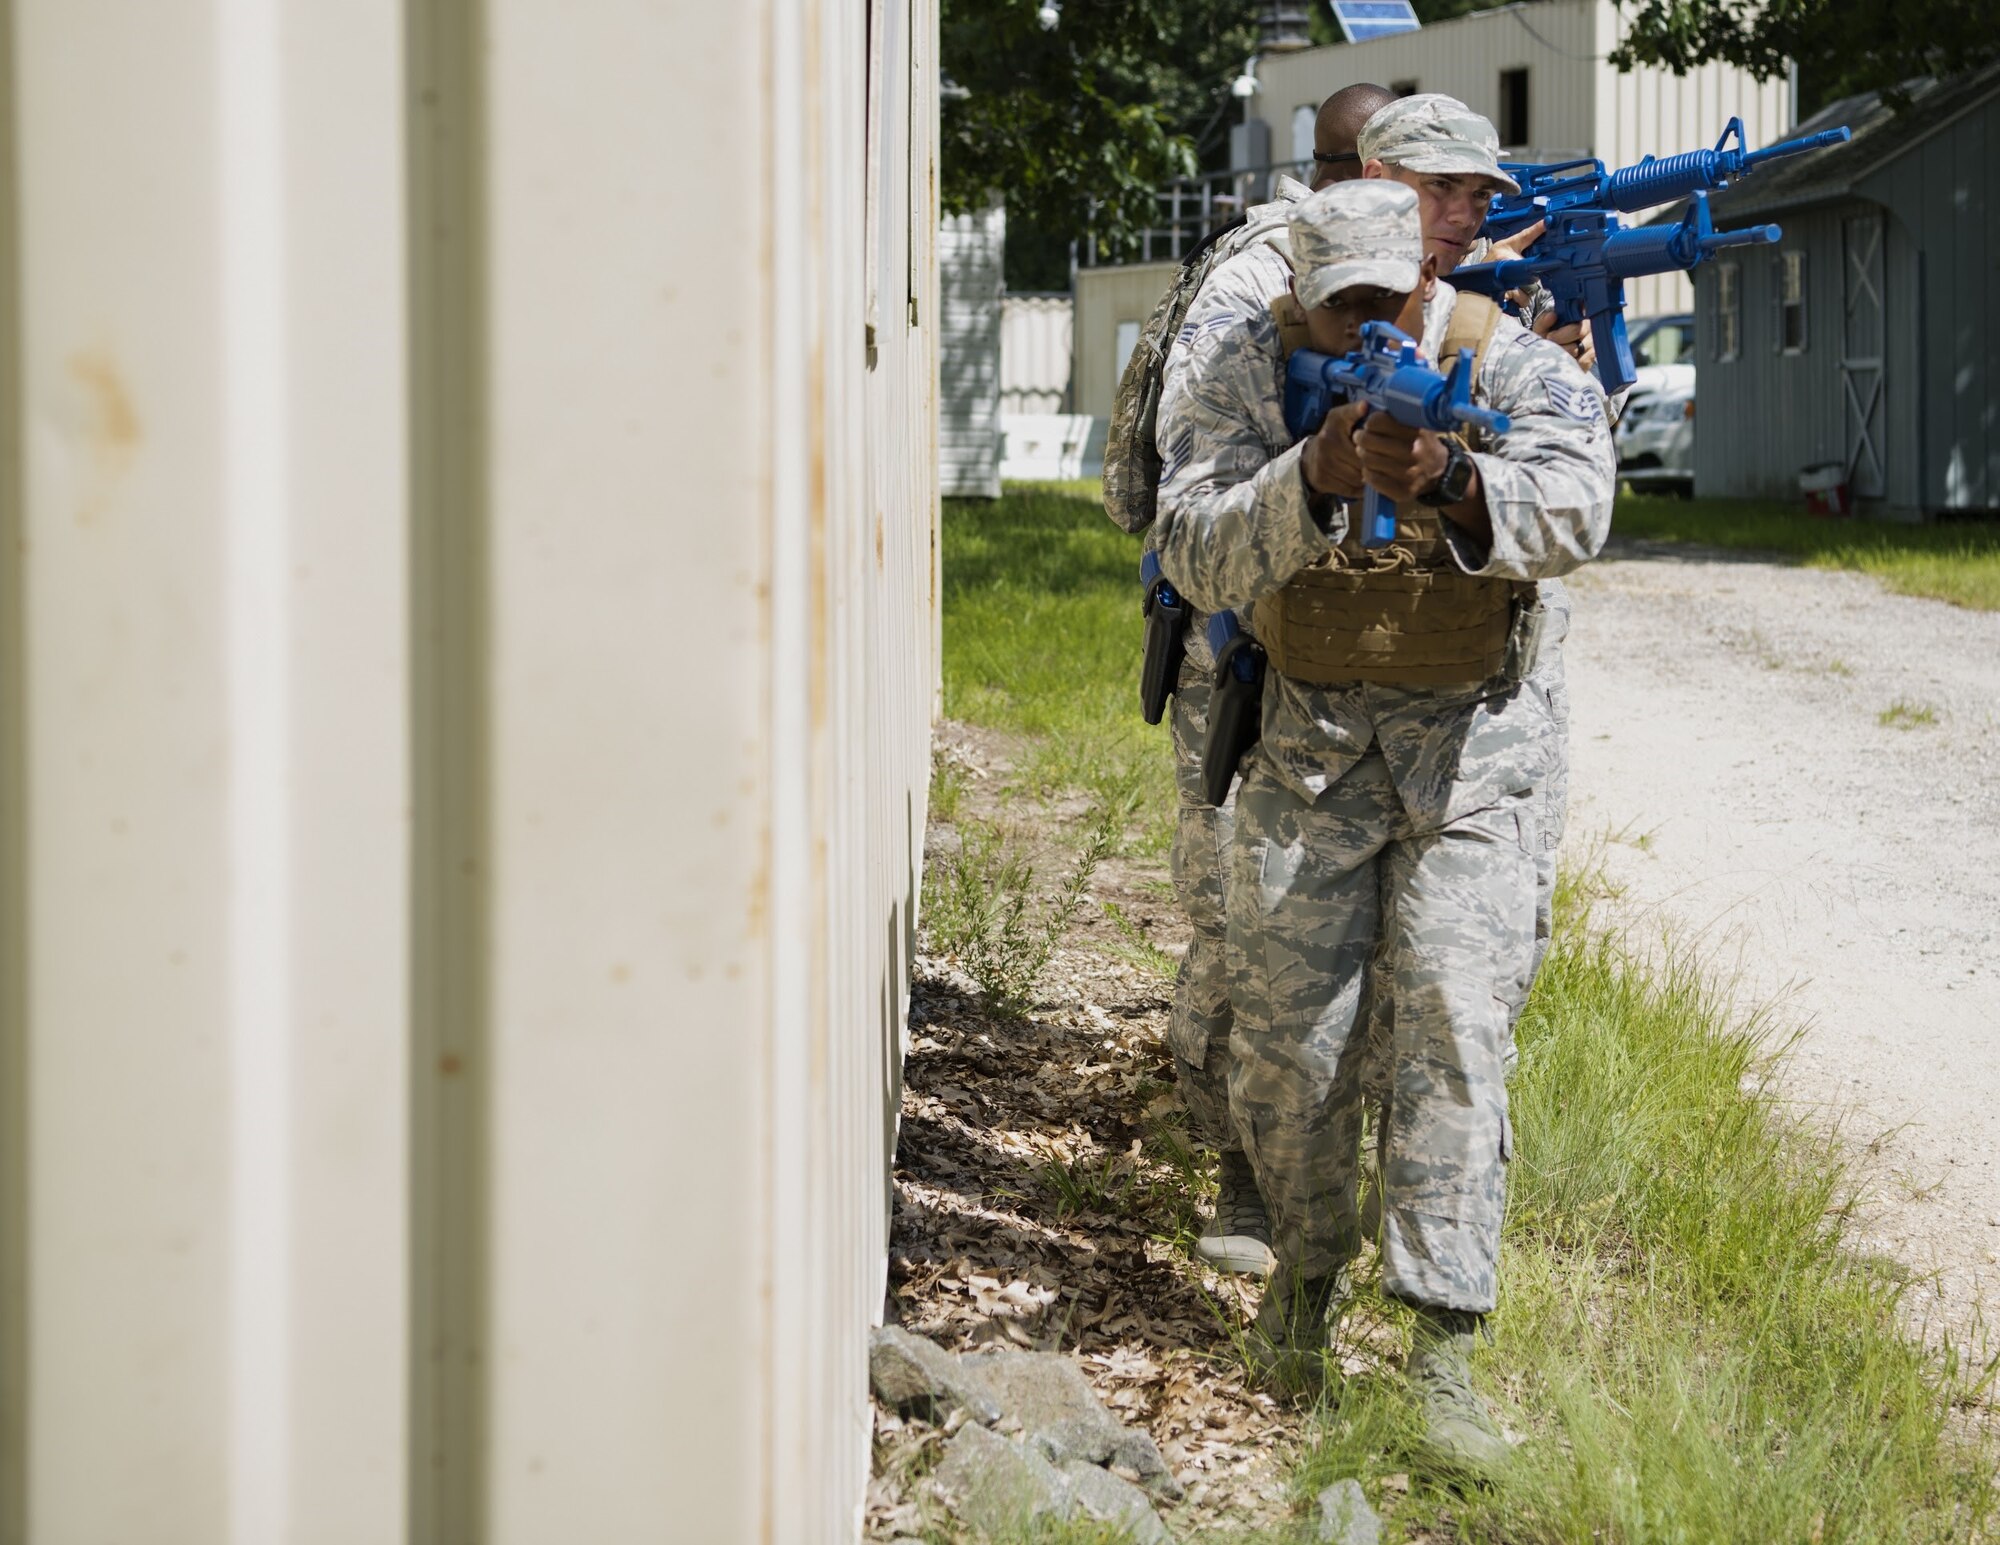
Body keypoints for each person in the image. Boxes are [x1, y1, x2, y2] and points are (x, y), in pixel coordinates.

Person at [1153, 137, 1614, 1468]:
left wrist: (1460, 483)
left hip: (1472, 749)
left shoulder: (1495, 347)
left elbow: (1585, 501)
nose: (1367, 326)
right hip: (1310, 747)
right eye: (1337, 308)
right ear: (1297, 296)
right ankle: (1302, 1283)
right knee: (1298, 1043)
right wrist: (1313, 481)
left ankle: (1446, 1350)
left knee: (1457, 1028)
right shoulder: (1243, 364)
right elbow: (1189, 539)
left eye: (1386, 300)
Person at [1142, 84, 1399, 1279]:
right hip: (1233, 640)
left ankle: (1315, 1175)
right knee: (1234, 923)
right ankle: (1236, 1172)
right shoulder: (1254, 281)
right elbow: (1188, 500)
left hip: (1352, 658)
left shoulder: (1432, 282)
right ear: (1356, 171)